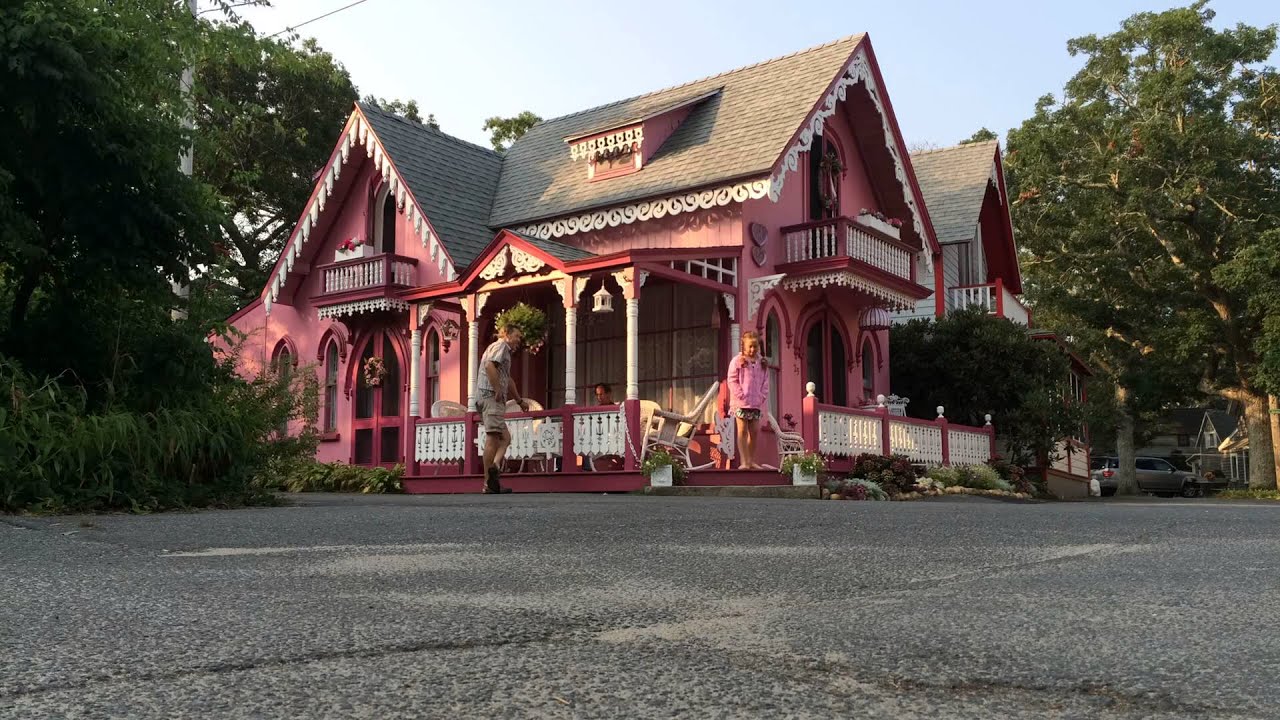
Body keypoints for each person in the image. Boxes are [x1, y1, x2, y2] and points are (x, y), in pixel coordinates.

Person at [475, 321, 528, 493]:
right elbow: (490, 365)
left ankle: (495, 467)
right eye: (517, 336)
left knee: (505, 438)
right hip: (491, 396)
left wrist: (519, 401)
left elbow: (508, 379)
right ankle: (487, 484)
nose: (518, 340)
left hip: (488, 397)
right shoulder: (501, 346)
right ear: (506, 333)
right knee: (493, 437)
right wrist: (497, 389)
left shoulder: (503, 351)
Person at [727, 330, 769, 470]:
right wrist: (740, 395)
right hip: (741, 403)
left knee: (755, 431)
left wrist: (761, 396)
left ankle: (751, 461)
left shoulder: (762, 363)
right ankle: (744, 462)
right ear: (743, 347)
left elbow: (766, 382)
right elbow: (732, 380)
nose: (752, 349)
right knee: (742, 431)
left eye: (755, 346)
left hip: (755, 403)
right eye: (749, 346)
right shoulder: (738, 361)